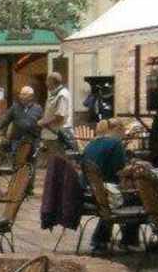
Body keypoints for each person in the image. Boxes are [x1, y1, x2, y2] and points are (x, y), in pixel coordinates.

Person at [81, 120, 139, 253]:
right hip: (105, 193)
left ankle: (101, 239)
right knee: (136, 198)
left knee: (114, 199)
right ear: (118, 129)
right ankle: (128, 240)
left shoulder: (91, 143)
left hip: (89, 192)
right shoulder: (115, 143)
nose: (124, 135)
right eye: (124, 132)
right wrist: (133, 168)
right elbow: (119, 171)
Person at [0, 86, 43, 159]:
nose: (21, 96)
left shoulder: (38, 108)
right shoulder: (15, 107)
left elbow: (42, 124)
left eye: (24, 94)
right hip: (17, 140)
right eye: (20, 94)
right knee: (16, 161)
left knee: (31, 161)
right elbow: (6, 118)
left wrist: (41, 139)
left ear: (31, 96)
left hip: (32, 140)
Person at [41, 71, 76, 154]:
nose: (45, 83)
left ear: (52, 82)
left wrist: (43, 122)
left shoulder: (62, 95)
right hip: (51, 135)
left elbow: (60, 117)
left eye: (47, 81)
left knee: (56, 159)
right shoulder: (54, 94)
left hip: (58, 135)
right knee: (50, 158)